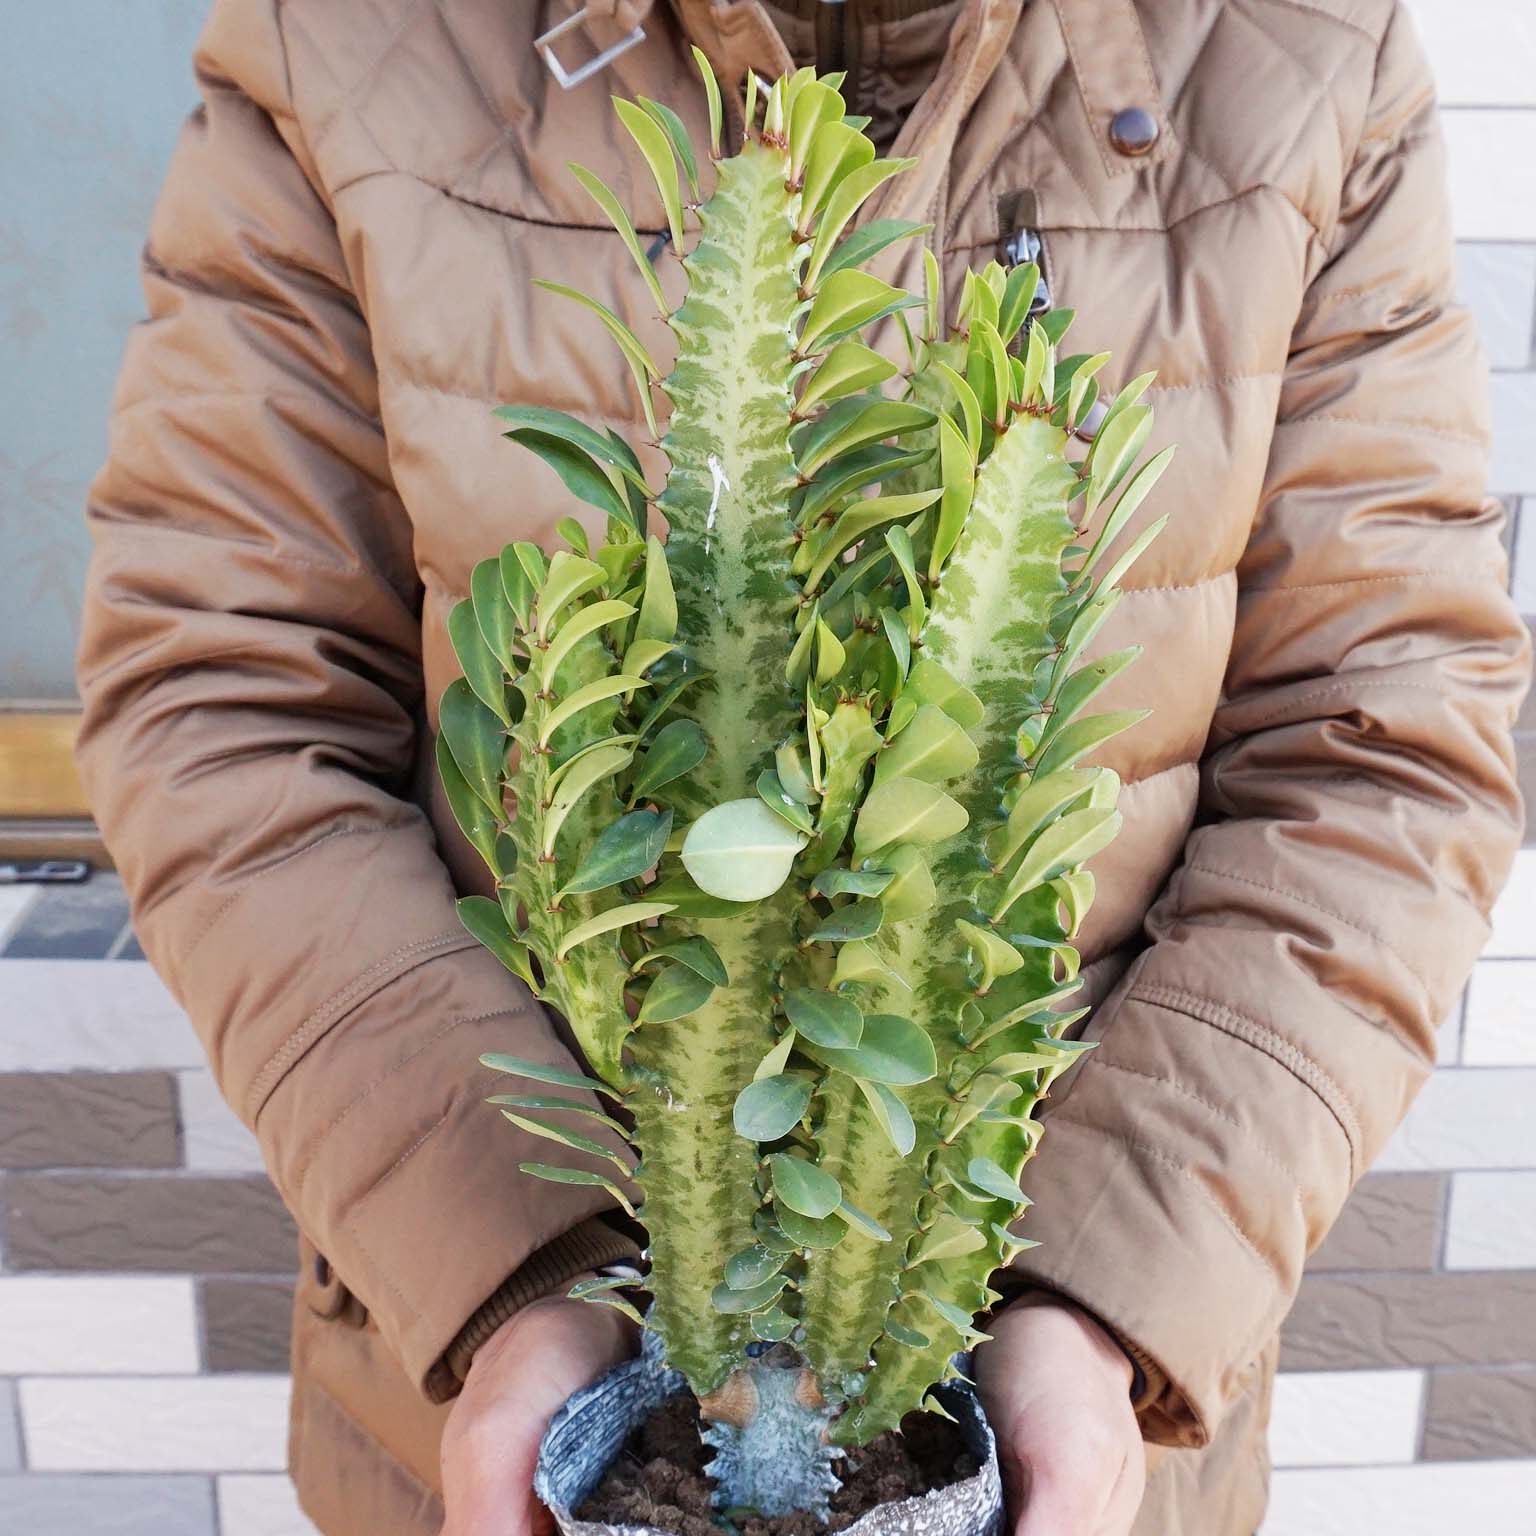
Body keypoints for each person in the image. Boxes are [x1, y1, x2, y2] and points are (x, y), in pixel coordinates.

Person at [76, 2, 1529, 1534]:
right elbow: (222, 698)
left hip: (1074, 1447)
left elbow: (1380, 749)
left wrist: (1098, 1305)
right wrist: (521, 1280)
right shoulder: (346, 38)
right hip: (503, 1406)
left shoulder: (1301, 52)